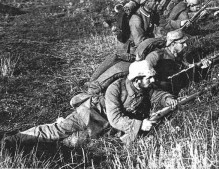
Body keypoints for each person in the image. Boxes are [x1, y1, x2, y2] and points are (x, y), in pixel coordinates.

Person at [3, 60, 177, 146]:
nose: (153, 80)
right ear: (138, 80)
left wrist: (167, 99)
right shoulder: (115, 88)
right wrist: (140, 124)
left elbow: (157, 95)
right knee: (56, 132)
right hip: (89, 114)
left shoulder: (144, 87)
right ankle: (12, 140)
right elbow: (116, 118)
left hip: (105, 126)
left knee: (74, 143)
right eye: (149, 77)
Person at [144, 29, 211, 95]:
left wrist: (200, 65)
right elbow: (145, 75)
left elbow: (186, 67)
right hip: (160, 94)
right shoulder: (156, 56)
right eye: (182, 43)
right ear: (173, 44)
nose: (185, 45)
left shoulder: (177, 55)